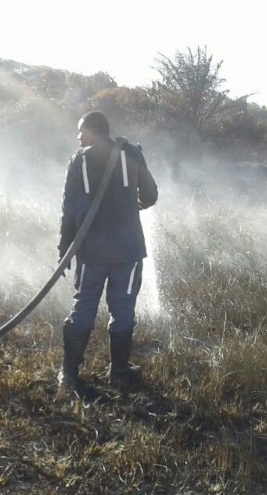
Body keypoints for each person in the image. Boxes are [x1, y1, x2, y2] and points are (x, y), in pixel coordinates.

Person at [56, 111, 158, 397]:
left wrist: (64, 249)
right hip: (128, 250)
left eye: (80, 132)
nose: (78, 138)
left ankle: (70, 374)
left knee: (84, 307)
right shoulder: (132, 153)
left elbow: (69, 211)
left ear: (92, 130)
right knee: (123, 309)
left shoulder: (79, 161)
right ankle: (119, 372)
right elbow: (150, 196)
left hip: (92, 252)